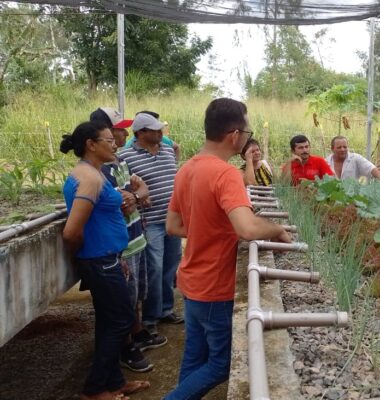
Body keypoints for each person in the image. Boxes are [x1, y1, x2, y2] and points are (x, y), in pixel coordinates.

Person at [164, 98, 292, 399]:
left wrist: (213, 230)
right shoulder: (226, 174)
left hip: (191, 280)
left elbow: (173, 225)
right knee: (221, 364)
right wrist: (276, 229)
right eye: (247, 133)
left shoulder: (187, 168)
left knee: (194, 359)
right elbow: (247, 227)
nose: (248, 138)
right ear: (234, 135)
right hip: (213, 286)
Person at [60, 121, 150, 400]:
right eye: (108, 140)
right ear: (91, 144)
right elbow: (72, 232)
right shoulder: (89, 179)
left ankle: (114, 381)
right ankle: (95, 389)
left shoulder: (94, 173)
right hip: (100, 261)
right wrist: (92, 257)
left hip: (107, 259)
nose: (114, 144)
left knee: (110, 322)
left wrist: (111, 254)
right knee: (122, 321)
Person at [90, 108, 168, 372]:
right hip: (120, 245)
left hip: (135, 237)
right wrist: (135, 196)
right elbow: (125, 203)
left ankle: (136, 334)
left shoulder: (119, 164)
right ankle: (126, 347)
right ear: (102, 134)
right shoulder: (101, 171)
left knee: (135, 295)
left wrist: (136, 195)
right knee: (123, 300)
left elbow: (139, 193)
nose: (122, 133)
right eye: (117, 130)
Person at [118, 113, 183, 334]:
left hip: (172, 219)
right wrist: (138, 194)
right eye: (155, 130)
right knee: (154, 268)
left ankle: (165, 309)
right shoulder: (125, 156)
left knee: (170, 266)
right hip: (150, 221)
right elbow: (123, 186)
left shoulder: (166, 150)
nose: (160, 133)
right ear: (141, 133)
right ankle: (150, 317)